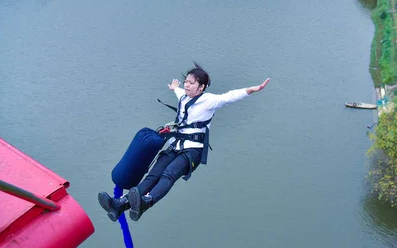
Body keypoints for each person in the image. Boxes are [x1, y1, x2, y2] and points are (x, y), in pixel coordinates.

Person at [98, 64, 270, 222]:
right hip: (176, 145)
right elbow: (179, 92)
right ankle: (119, 205)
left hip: (192, 151)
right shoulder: (184, 97)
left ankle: (147, 202)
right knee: (153, 175)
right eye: (186, 82)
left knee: (168, 175)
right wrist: (175, 88)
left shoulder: (209, 100)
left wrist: (252, 90)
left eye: (191, 83)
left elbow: (229, 97)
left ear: (201, 87)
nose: (186, 85)